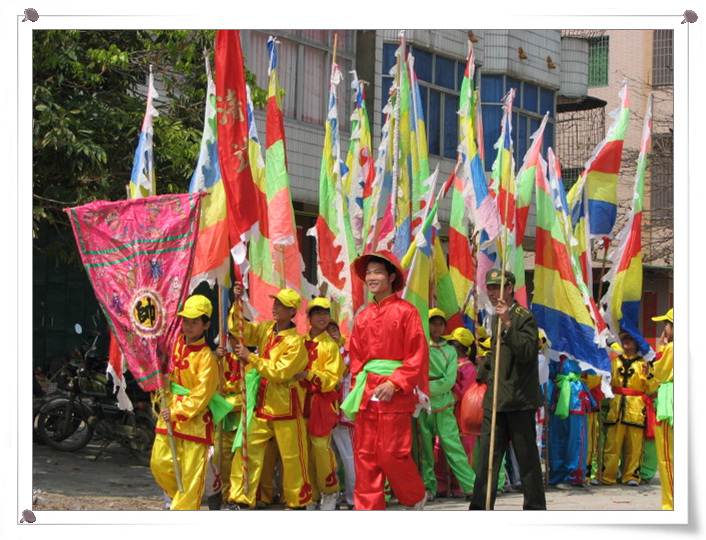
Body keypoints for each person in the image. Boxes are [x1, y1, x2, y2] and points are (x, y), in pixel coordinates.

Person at [341, 250, 429, 510]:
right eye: (368, 273)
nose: (371, 277)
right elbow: (356, 360)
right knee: (365, 455)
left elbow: (417, 355)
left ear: (391, 277)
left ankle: (414, 496)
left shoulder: (407, 311)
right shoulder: (363, 316)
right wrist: (358, 388)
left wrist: (395, 383)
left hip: (395, 393)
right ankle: (368, 510)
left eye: (377, 272)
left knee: (392, 453)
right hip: (368, 392)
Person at [225, 286, 312, 510]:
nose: (276, 307)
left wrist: (251, 358)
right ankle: (241, 498)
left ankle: (297, 501)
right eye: (275, 303)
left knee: (292, 456)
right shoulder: (265, 329)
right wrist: (238, 301)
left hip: (286, 403)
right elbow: (240, 329)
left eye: (282, 305)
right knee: (247, 449)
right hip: (262, 402)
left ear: (292, 312)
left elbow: (279, 372)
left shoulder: (296, 342)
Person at [469, 269, 546, 510]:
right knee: (487, 459)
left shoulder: (524, 317)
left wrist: (508, 324)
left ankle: (534, 509)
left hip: (519, 399)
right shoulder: (494, 318)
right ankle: (480, 508)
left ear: (510, 288)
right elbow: (497, 353)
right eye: (490, 288)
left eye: (497, 287)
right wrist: (482, 372)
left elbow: (526, 353)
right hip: (495, 400)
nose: (492, 293)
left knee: (527, 459)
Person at [150, 294, 220, 510]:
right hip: (168, 410)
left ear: (206, 325)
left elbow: (201, 394)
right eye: (185, 321)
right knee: (160, 463)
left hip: (194, 421)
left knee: (191, 475)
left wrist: (178, 411)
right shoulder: (174, 344)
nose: (188, 326)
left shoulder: (207, 357)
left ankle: (183, 511)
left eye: (194, 322)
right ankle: (182, 499)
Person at [419, 309, 475, 501]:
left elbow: (449, 381)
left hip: (442, 403)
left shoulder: (450, 351)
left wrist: (424, 389)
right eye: (433, 323)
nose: (437, 327)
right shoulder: (420, 346)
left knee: (453, 446)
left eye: (440, 324)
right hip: (421, 405)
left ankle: (471, 486)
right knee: (426, 450)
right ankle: (429, 487)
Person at [295, 297, 345, 510]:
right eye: (317, 313)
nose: (322, 317)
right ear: (309, 317)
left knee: (321, 447)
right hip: (299, 400)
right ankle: (312, 495)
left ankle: (330, 491)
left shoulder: (331, 346)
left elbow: (332, 379)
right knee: (304, 449)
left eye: (325, 313)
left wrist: (308, 375)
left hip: (321, 402)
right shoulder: (299, 342)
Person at [601, 332, 659, 487]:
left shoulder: (643, 364)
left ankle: (631, 475)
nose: (627, 342)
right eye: (625, 339)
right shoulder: (614, 362)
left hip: (635, 407)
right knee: (612, 444)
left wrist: (648, 375)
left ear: (637, 344)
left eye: (630, 340)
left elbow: (651, 387)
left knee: (634, 446)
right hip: (616, 406)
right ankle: (608, 476)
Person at [434, 326, 477, 497]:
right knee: (439, 449)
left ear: (457, 347)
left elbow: (464, 392)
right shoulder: (452, 362)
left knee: (462, 450)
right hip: (448, 409)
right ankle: (441, 486)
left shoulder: (468, 367)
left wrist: (446, 388)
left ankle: (461, 486)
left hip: (461, 415)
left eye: (451, 343)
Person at [546, 355, 596, 489]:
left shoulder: (582, 348)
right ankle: (557, 474)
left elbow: (594, 370)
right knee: (556, 438)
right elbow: (548, 373)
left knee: (576, 438)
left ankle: (574, 477)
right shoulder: (553, 350)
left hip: (575, 397)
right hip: (558, 394)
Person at [327, 319, 356, 510]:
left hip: (344, 414)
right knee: (330, 462)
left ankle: (353, 499)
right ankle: (333, 496)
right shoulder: (318, 355)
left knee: (350, 459)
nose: (332, 333)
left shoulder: (349, 356)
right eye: (328, 331)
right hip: (326, 415)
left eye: (334, 330)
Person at [651, 308, 673, 510]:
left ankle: (671, 504)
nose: (664, 329)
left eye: (666, 324)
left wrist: (661, 348)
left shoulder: (672, 348)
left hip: (670, 402)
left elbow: (659, 371)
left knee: (668, 458)